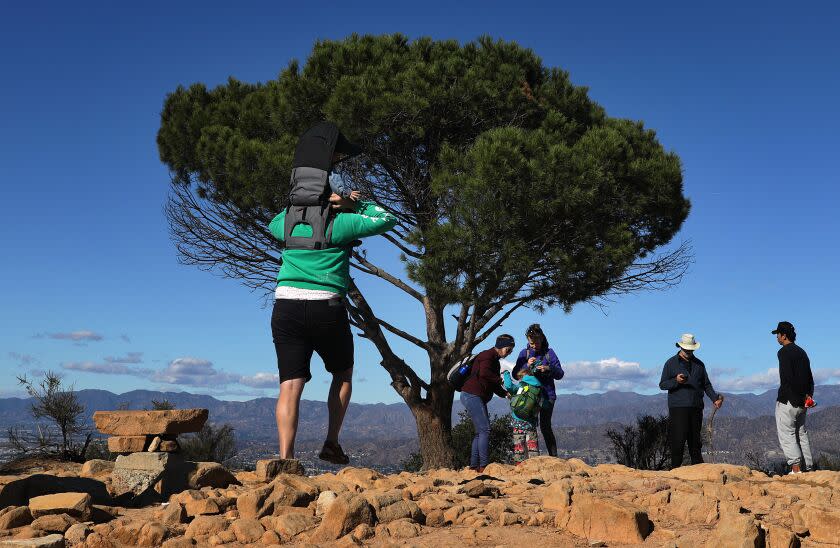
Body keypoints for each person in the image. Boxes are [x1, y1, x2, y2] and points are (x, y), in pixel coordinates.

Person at [268, 121, 397, 465]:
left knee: (290, 386)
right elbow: (386, 219)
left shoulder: (286, 221)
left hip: (286, 307)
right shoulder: (341, 223)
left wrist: (310, 203)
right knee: (342, 373)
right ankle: (331, 442)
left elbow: (272, 223)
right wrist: (353, 205)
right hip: (327, 308)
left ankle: (286, 460)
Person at [658, 333, 724, 468]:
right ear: (681, 347)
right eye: (686, 349)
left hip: (696, 407)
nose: (688, 351)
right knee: (678, 441)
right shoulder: (670, 363)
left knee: (695, 442)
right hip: (678, 408)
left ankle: (698, 472)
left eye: (691, 349)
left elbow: (706, 385)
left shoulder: (699, 365)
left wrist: (714, 398)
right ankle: (675, 471)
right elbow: (663, 384)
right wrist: (676, 381)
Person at [460, 334, 516, 472]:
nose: (510, 353)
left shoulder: (494, 360)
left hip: (472, 396)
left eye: (511, 350)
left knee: (480, 432)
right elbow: (485, 374)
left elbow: (491, 383)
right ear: (501, 346)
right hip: (472, 395)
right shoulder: (487, 356)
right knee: (485, 430)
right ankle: (484, 466)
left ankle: (474, 466)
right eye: (509, 349)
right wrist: (500, 379)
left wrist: (504, 393)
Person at [513, 324, 564, 456]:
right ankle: (531, 457)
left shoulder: (549, 353)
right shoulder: (524, 353)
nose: (534, 345)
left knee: (545, 427)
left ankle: (554, 457)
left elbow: (560, 374)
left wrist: (548, 368)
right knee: (529, 427)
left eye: (536, 342)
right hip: (529, 396)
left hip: (547, 396)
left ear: (542, 338)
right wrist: (527, 365)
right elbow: (515, 374)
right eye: (531, 342)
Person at [772, 321, 815, 474]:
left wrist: (789, 397)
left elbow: (787, 378)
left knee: (787, 434)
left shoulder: (783, 352)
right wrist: (808, 396)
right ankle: (809, 467)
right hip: (803, 402)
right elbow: (810, 378)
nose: (777, 337)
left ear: (784, 336)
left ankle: (796, 468)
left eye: (778, 334)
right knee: (801, 433)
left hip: (788, 401)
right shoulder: (802, 352)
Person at [503, 363, 544, 464]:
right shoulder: (539, 387)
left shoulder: (522, 386)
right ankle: (535, 466)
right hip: (531, 421)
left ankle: (519, 466)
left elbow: (508, 386)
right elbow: (541, 404)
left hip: (518, 419)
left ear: (522, 376)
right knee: (532, 445)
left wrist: (506, 374)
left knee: (519, 446)